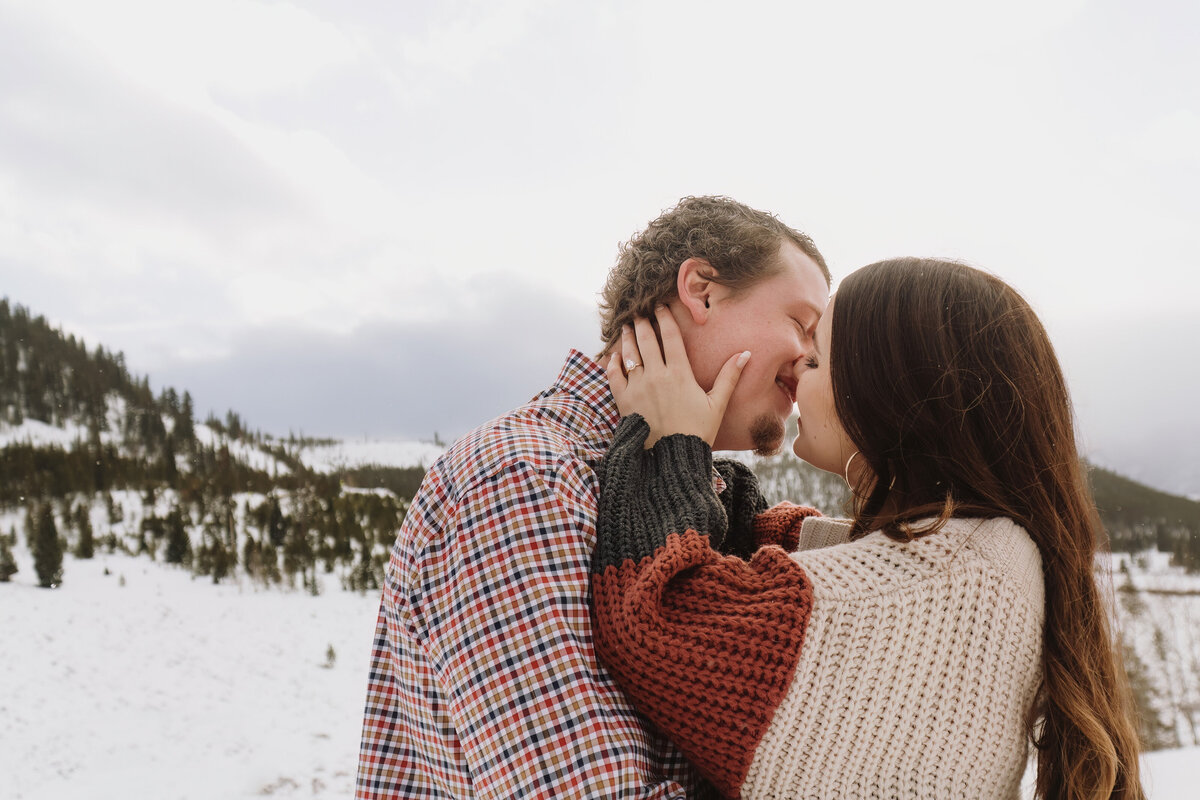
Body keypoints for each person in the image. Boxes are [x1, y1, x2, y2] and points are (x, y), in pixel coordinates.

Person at [591, 258, 1144, 800]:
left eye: (818, 358)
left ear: (890, 390)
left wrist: (669, 445)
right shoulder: (985, 551)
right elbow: (815, 555)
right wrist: (712, 483)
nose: (796, 368)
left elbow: (659, 616)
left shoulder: (951, 575)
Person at [355, 195, 831, 799]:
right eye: (801, 323)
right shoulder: (522, 479)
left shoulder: (717, 502)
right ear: (703, 290)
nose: (811, 357)